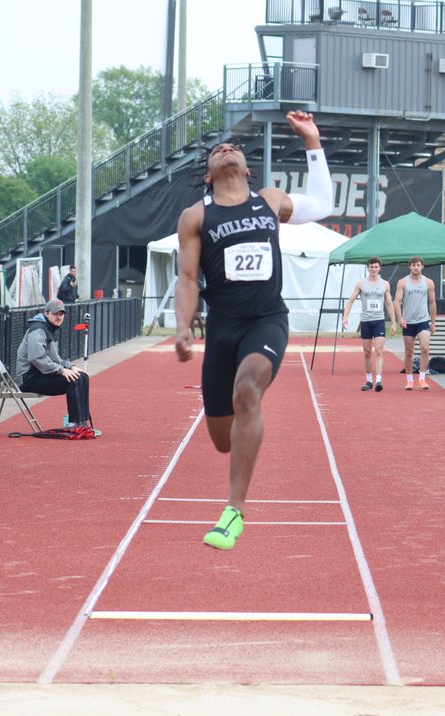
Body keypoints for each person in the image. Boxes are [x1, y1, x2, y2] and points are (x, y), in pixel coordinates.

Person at [173, 110, 331, 551]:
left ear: (246, 169)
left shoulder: (269, 200)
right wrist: (183, 327)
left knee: (247, 391)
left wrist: (312, 141)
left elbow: (323, 204)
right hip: (223, 330)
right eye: (217, 150)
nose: (227, 149)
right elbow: (187, 278)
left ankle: (234, 510)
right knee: (222, 441)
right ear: (209, 175)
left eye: (234, 148)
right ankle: (242, 435)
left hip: (267, 320)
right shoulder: (195, 216)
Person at [15, 299, 94, 430]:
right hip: (29, 379)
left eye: (61, 314)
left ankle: (82, 422)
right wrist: (61, 370)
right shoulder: (38, 329)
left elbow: (55, 359)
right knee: (74, 380)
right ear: (46, 313)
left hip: (40, 374)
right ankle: (74, 424)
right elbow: (36, 358)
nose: (59, 317)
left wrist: (70, 367)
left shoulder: (48, 329)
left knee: (82, 376)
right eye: (55, 313)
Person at [341, 257, 396, 391]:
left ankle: (378, 381)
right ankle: (369, 380)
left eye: (376, 267)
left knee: (379, 350)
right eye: (372, 267)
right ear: (368, 268)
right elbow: (351, 300)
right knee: (367, 352)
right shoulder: (361, 284)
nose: (374, 269)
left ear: (380, 268)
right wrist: (345, 317)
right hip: (366, 321)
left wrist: (394, 323)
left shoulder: (385, 284)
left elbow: (389, 303)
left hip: (379, 321)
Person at [393, 255, 437, 390]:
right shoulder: (403, 282)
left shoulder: (428, 282)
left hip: (423, 320)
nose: (416, 267)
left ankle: (422, 379)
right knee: (408, 351)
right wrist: (400, 318)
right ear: (410, 266)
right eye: (413, 265)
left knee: (425, 348)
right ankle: (410, 380)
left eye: (418, 265)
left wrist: (433, 322)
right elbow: (396, 301)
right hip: (408, 321)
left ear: (422, 266)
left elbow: (432, 302)